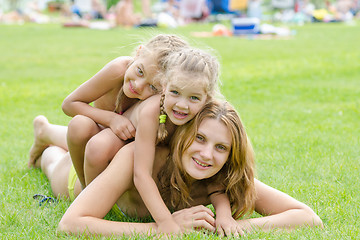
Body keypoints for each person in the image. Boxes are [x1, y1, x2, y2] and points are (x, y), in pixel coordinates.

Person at [27, 100, 322, 237]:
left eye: (221, 148)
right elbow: (71, 224)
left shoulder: (220, 176)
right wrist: (161, 229)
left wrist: (235, 225)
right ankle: (46, 133)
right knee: (54, 162)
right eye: (200, 139)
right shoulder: (137, 157)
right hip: (82, 184)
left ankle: (48, 135)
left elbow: (307, 217)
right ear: (182, 135)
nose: (207, 155)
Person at [28, 34, 189, 187]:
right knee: (81, 128)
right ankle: (45, 132)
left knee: (90, 143)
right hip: (96, 137)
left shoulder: (159, 103)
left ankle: (45, 133)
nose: (138, 85)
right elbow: (70, 104)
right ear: (139, 52)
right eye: (140, 71)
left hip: (111, 146)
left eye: (153, 87)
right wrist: (112, 119)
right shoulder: (119, 69)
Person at [130, 47, 221, 234]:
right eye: (175, 92)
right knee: (99, 146)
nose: (182, 105)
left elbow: (221, 175)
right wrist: (165, 222)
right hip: (122, 137)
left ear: (207, 98)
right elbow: (141, 173)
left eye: (194, 97)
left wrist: (224, 213)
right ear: (164, 85)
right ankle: (50, 134)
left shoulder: (210, 115)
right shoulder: (151, 113)